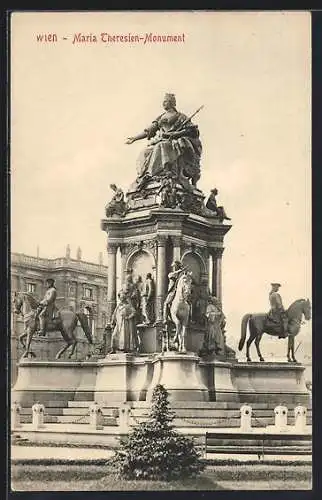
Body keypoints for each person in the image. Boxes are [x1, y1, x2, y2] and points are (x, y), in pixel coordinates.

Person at [126, 93, 202, 190]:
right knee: (145, 152)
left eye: (166, 101)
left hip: (173, 141)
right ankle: (147, 177)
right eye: (163, 101)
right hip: (161, 140)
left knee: (161, 146)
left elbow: (191, 130)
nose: (163, 103)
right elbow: (149, 130)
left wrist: (174, 134)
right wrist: (134, 138)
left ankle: (156, 173)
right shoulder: (160, 117)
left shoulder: (181, 116)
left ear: (172, 103)